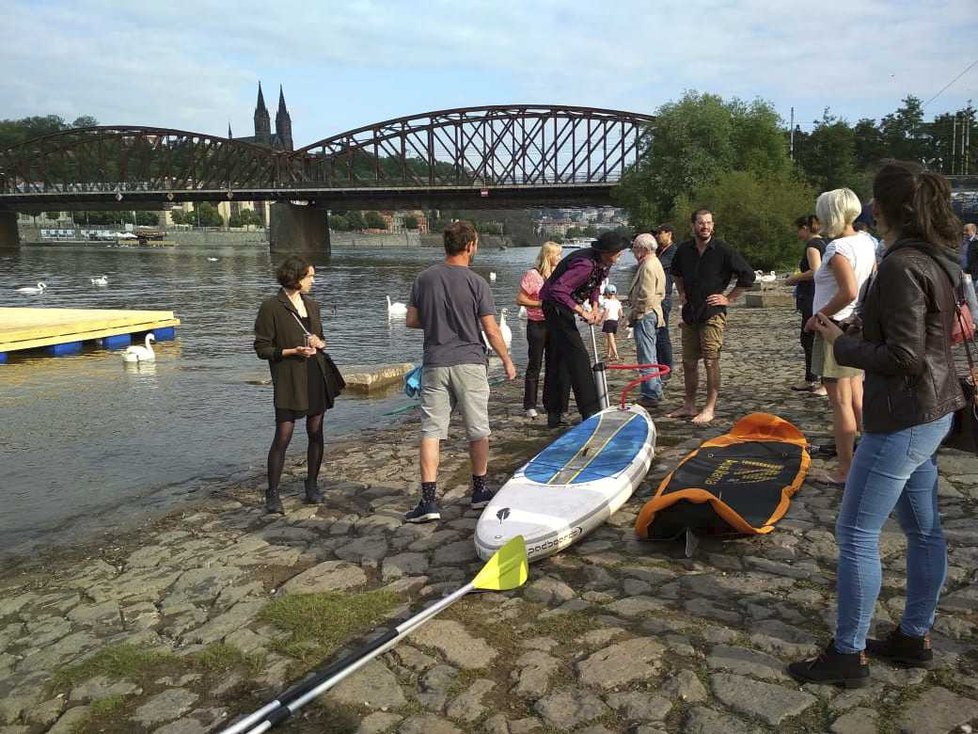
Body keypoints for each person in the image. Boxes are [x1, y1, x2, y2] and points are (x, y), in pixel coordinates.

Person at [788, 161, 965, 688]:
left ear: (887, 208)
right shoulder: (939, 258)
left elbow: (905, 355)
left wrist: (841, 343)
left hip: (904, 415)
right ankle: (914, 637)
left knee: (857, 532)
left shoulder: (900, 264)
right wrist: (858, 327)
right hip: (934, 409)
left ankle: (849, 654)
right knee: (923, 529)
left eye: (874, 199)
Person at [404, 221, 516, 523]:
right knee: (477, 428)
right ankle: (479, 491)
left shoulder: (424, 278)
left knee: (431, 431)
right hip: (469, 362)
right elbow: (491, 329)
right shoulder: (477, 283)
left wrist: (440, 321)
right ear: (470, 246)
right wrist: (506, 360)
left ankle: (428, 501)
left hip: (436, 362)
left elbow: (411, 321)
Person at [254, 255, 342, 514]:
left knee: (316, 431)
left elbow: (323, 339)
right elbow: (262, 348)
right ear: (295, 278)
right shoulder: (271, 307)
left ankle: (312, 485)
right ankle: (272, 493)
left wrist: (319, 343)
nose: (313, 280)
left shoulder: (312, 306)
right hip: (289, 379)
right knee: (283, 435)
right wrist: (292, 351)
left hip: (315, 374)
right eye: (310, 276)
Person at [806, 189, 878, 486]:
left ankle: (846, 470)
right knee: (857, 397)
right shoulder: (865, 242)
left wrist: (818, 316)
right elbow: (869, 283)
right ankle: (869, 460)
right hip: (854, 325)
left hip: (834, 327)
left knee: (841, 404)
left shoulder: (838, 247)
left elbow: (848, 290)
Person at [668, 209, 755, 425]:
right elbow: (676, 273)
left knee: (710, 361)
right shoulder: (684, 250)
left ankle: (709, 408)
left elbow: (748, 275)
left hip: (712, 313)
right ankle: (689, 405)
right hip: (690, 313)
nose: (705, 226)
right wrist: (681, 292)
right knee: (688, 362)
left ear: (713, 226)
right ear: (693, 226)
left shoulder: (723, 250)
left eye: (708, 223)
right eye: (700, 223)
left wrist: (729, 299)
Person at [540, 231, 630, 428]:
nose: (620, 255)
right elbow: (558, 290)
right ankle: (590, 410)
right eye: (618, 252)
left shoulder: (601, 264)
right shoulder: (585, 264)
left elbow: (595, 285)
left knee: (559, 358)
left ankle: (555, 413)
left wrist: (595, 306)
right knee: (578, 356)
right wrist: (583, 311)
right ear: (607, 252)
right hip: (555, 306)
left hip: (564, 306)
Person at [516, 241, 563, 418]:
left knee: (553, 364)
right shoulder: (532, 274)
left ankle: (549, 402)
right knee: (535, 364)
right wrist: (540, 304)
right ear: (548, 255)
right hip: (536, 324)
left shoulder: (558, 274)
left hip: (553, 324)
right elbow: (520, 299)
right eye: (557, 255)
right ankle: (529, 404)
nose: (559, 258)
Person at [785, 215, 828, 395]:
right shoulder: (825, 243)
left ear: (805, 227)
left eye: (799, 229)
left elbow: (815, 271)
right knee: (810, 338)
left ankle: (822, 381)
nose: (798, 233)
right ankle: (811, 378)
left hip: (812, 296)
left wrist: (794, 279)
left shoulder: (812, 246)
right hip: (818, 295)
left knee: (812, 337)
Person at [627, 233, 666, 408]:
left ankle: (650, 394)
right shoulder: (656, 262)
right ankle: (655, 391)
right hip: (654, 313)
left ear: (643, 249)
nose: (633, 252)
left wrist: (635, 314)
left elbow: (645, 295)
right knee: (651, 354)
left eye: (635, 248)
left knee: (646, 356)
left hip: (646, 315)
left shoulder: (648, 266)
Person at [653, 224, 677, 373]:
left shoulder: (673, 252)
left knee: (662, 333)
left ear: (669, 234)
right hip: (657, 296)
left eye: (659, 233)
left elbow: (658, 266)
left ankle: (667, 367)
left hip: (664, 296)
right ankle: (659, 365)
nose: (657, 236)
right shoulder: (659, 251)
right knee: (657, 333)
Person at [601, 284, 622, 361]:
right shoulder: (617, 302)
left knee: (611, 338)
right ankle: (609, 354)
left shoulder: (606, 301)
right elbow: (621, 313)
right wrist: (619, 320)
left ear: (606, 293)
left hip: (608, 321)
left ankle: (616, 355)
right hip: (615, 322)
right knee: (609, 338)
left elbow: (606, 312)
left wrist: (601, 321)